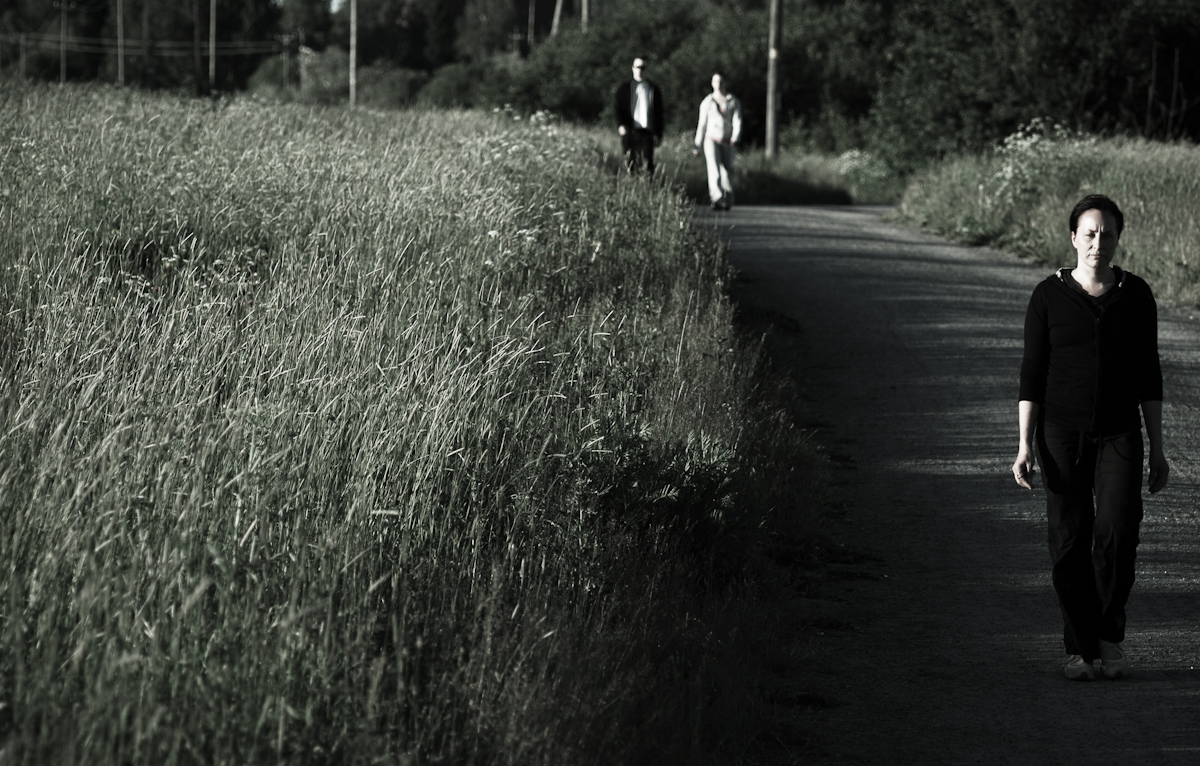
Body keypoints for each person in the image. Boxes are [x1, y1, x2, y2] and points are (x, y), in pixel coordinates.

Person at [1012, 194, 1169, 682]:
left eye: (1108, 234)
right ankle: (1080, 650)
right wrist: (1023, 445)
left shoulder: (1137, 295)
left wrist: (1159, 448)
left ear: (1119, 239)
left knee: (1119, 533)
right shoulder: (1047, 296)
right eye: (1090, 233)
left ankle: (1107, 636)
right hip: (1060, 436)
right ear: (1073, 238)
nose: (1098, 242)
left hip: (1120, 432)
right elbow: (1032, 375)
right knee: (1069, 539)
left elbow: (1149, 374)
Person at [692, 72, 742, 211]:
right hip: (711, 139)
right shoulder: (707, 102)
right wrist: (697, 145)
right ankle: (717, 199)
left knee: (727, 170)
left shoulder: (733, 101)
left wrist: (735, 138)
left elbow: (737, 121)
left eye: (721, 81)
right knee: (714, 170)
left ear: (725, 83)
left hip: (728, 140)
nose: (718, 85)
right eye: (716, 81)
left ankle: (728, 199)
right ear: (712, 83)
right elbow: (702, 124)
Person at [614, 56, 664, 175]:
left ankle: (646, 190)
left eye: (643, 67)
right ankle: (633, 190)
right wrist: (621, 124)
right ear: (632, 68)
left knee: (647, 166)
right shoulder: (624, 89)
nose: (640, 70)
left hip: (647, 134)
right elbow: (617, 108)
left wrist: (659, 133)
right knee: (630, 165)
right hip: (629, 132)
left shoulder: (653, 89)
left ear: (647, 69)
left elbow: (659, 112)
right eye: (637, 67)